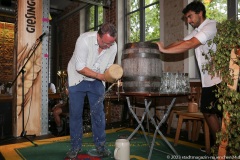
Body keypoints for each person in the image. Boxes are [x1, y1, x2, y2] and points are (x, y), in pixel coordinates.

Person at [156, 1, 222, 151]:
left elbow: (191, 43)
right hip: (208, 81)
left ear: (200, 13)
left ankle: (225, 147)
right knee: (208, 111)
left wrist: (165, 52)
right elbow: (182, 41)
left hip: (221, 79)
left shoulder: (211, 26)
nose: (188, 21)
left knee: (222, 115)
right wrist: (163, 48)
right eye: (187, 18)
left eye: (190, 17)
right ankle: (219, 145)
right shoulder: (198, 30)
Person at [67, 23, 117, 159]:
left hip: (96, 81)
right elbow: (80, 67)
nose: (108, 47)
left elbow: (107, 68)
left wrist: (113, 75)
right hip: (77, 79)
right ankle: (75, 147)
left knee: (98, 114)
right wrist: (101, 76)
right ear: (98, 36)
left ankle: (100, 147)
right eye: (105, 43)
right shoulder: (83, 40)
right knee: (76, 114)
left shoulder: (113, 46)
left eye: (110, 44)